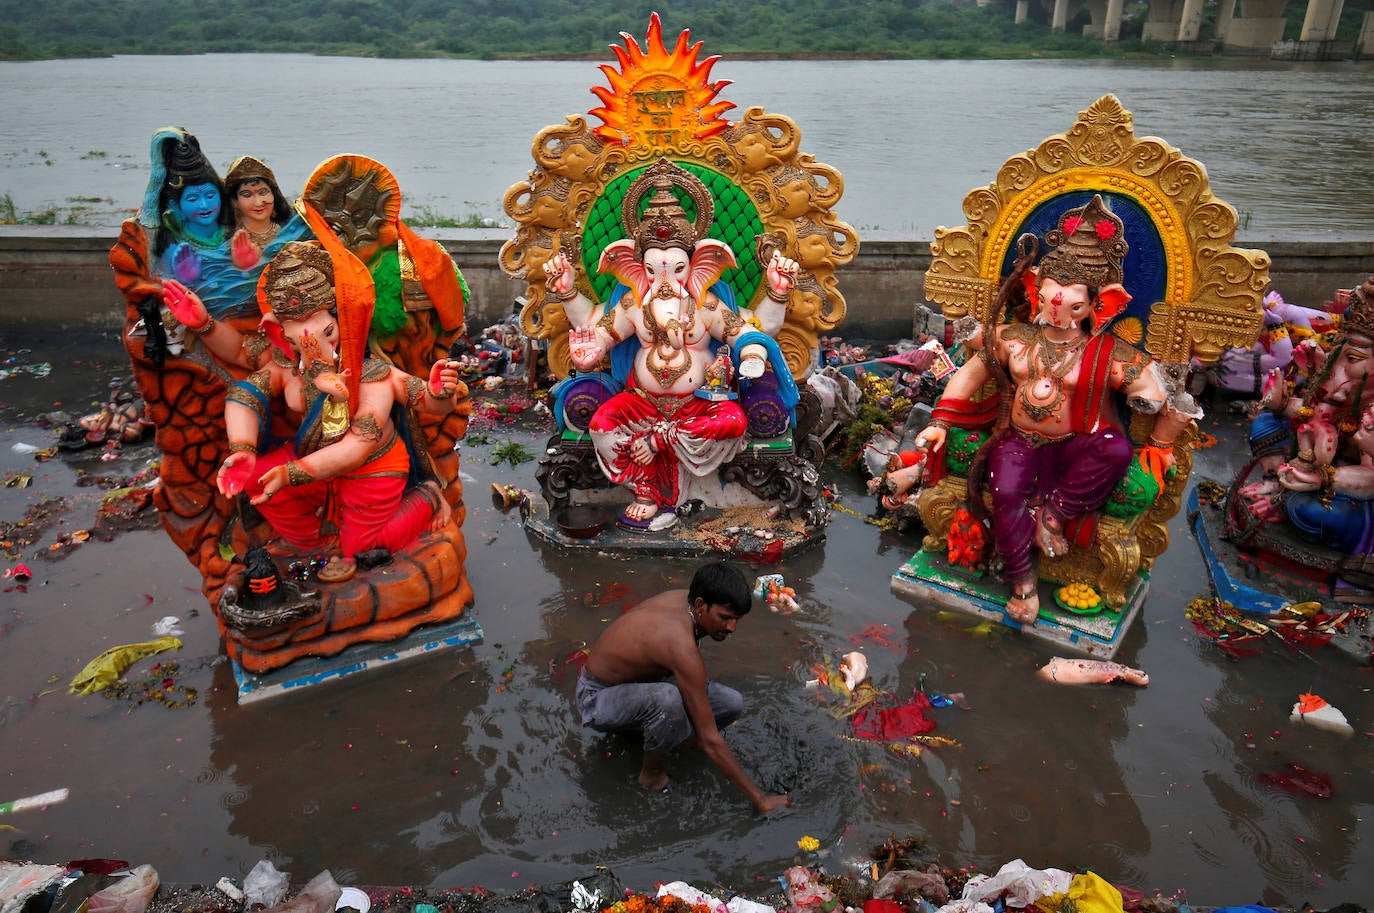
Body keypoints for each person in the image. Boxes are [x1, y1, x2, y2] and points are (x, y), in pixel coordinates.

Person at [913, 195, 1198, 623]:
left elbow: (1150, 388)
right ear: (1035, 293)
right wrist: (939, 421)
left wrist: (1157, 392)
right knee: (1007, 490)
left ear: (1100, 305)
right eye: (1048, 302)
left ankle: (1055, 513)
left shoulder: (1105, 351)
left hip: (1076, 443)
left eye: (1073, 307)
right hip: (1019, 439)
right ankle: (1023, 583)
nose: (1057, 314)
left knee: (1116, 450)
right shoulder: (1015, 337)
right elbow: (972, 372)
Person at [160, 240, 462, 583]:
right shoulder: (288, 365)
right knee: (258, 481)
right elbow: (242, 379)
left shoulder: (372, 377)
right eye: (297, 342)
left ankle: (426, 499)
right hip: (310, 462)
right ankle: (322, 542)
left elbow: (363, 445)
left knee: (364, 549)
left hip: (369, 468)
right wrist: (203, 325)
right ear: (278, 334)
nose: (319, 350)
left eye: (328, 334)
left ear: (344, 322)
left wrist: (441, 391)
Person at [545, 157, 800, 531]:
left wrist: (754, 348)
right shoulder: (633, 305)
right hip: (643, 403)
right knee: (602, 423)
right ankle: (645, 489)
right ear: (637, 268)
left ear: (697, 266)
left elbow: (745, 331)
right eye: (653, 270)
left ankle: (661, 441)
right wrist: (588, 354)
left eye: (676, 269)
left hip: (697, 407)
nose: (665, 280)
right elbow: (601, 332)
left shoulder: (706, 305)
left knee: (733, 421)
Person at [575, 562, 790, 814]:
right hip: (598, 698)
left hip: (641, 686)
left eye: (736, 620)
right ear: (700, 605)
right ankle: (652, 776)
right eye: (725, 618)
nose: (732, 628)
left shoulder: (685, 601)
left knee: (731, 703)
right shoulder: (679, 644)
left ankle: (666, 737)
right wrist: (760, 799)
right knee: (668, 700)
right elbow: (711, 738)